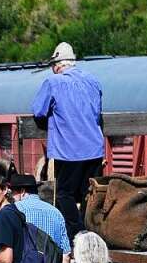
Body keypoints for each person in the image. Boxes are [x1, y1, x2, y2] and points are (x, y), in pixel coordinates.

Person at [31, 42, 105, 240]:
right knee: (89, 193)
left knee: (64, 193)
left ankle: (78, 233)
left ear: (57, 65)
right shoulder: (93, 81)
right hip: (94, 148)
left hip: (69, 150)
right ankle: (91, 231)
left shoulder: (53, 83)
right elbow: (97, 112)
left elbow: (38, 111)